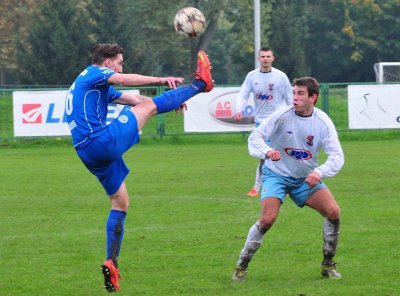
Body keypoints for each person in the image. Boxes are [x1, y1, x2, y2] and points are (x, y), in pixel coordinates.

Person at [64, 43, 214, 292]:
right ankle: (202, 84)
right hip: (99, 142)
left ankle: (112, 263)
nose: (121, 67)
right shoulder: (94, 73)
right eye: (119, 62)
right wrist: (163, 81)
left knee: (120, 202)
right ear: (108, 62)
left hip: (87, 152)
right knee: (149, 108)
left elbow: (136, 99)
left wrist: (170, 101)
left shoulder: (91, 84)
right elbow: (125, 82)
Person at [232, 77, 344, 281]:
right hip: (276, 175)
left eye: (300, 94)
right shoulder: (282, 115)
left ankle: (328, 264)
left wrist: (319, 172)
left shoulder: (323, 123)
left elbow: (337, 156)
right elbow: (255, 136)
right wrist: (267, 151)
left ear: (313, 97)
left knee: (333, 212)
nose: (295, 97)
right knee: (267, 220)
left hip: (304, 178)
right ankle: (241, 265)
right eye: (294, 93)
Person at [235, 47, 293, 197]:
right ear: (258, 59)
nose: (265, 59)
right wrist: (239, 109)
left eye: (268, 56)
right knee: (264, 156)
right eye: (263, 56)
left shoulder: (280, 76)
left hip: (280, 122)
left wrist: (294, 115)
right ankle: (256, 187)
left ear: (273, 58)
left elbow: (289, 97)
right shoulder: (252, 76)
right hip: (261, 124)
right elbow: (243, 93)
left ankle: (289, 182)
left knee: (285, 153)